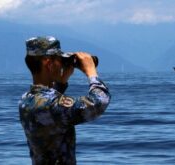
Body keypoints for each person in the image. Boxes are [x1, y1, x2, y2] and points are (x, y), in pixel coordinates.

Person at [19, 36, 111, 165]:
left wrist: (61, 83)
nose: (62, 64)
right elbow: (98, 103)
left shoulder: (25, 100)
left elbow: (49, 106)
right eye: (59, 60)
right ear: (49, 63)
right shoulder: (52, 105)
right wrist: (91, 72)